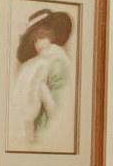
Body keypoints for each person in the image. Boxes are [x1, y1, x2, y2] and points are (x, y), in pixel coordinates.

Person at [7, 8, 74, 152]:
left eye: (42, 38)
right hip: (36, 124)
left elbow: (58, 106)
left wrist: (42, 89)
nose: (39, 44)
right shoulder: (36, 64)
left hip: (51, 126)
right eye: (36, 40)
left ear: (51, 38)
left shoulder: (58, 62)